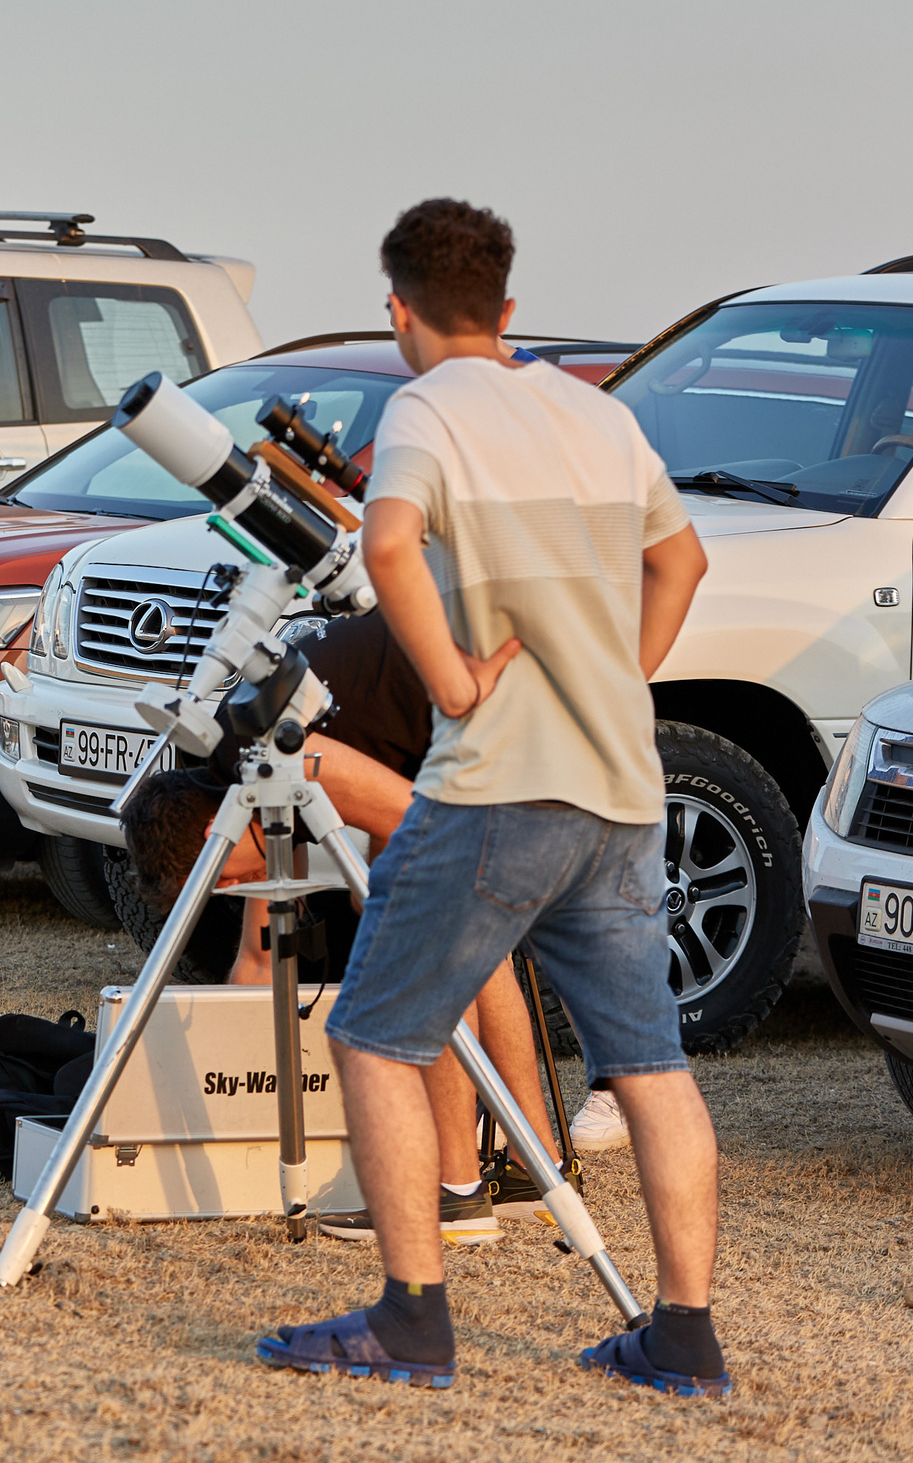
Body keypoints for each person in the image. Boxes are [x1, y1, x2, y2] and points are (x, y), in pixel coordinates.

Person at [254, 199, 720, 1395]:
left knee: (371, 1030)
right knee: (650, 1064)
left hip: (499, 786)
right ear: (508, 309)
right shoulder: (599, 412)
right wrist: (619, 671)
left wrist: (455, 677)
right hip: (618, 785)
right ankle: (684, 1337)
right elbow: (683, 560)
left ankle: (412, 1319)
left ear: (398, 311)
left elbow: (392, 542)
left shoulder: (423, 406)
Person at [119, 610, 566, 1247]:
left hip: (501, 690)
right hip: (471, 706)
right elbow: (258, 954)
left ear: (212, 834)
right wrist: (228, 1083)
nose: (231, 887)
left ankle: (456, 1193)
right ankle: (532, 1167)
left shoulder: (270, 757)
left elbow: (425, 824)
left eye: (217, 878)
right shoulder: (245, 765)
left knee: (425, 926)